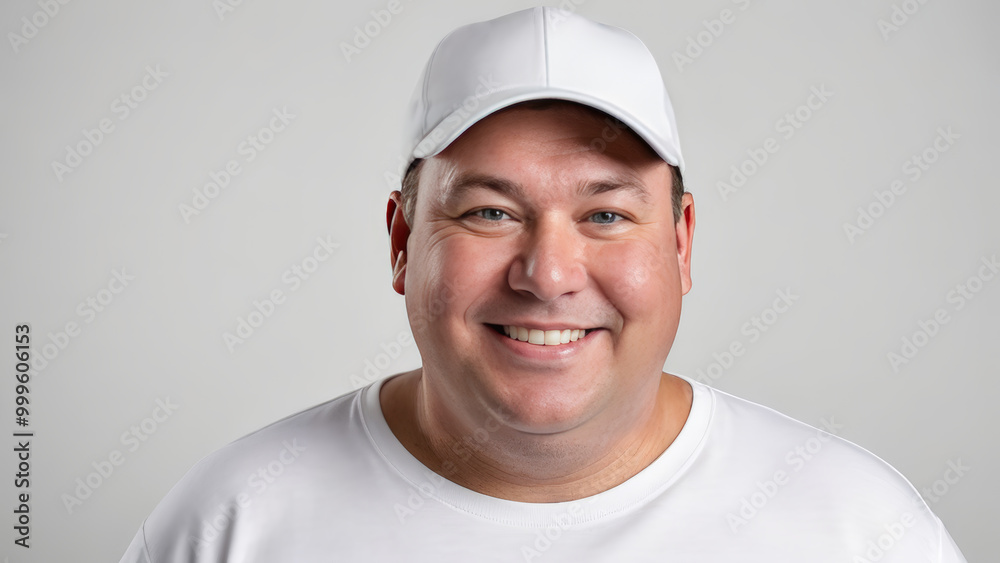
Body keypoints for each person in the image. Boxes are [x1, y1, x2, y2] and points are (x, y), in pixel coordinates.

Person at [120, 7, 966, 562]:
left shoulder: (858, 529)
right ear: (403, 241)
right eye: (490, 212)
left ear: (681, 242)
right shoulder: (232, 523)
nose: (549, 275)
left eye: (605, 214)